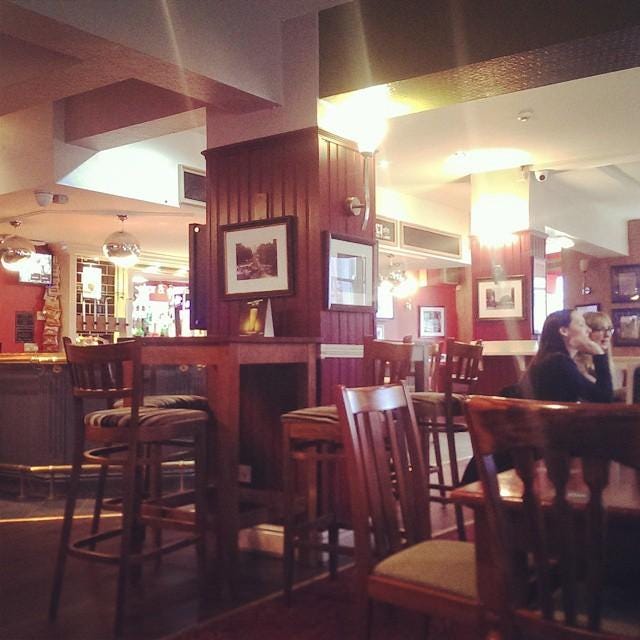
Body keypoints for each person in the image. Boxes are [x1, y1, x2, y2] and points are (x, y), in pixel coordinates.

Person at [461, 309, 613, 485]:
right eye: (580, 324)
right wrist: (599, 354)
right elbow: (604, 398)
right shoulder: (558, 362)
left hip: (523, 445)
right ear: (563, 331)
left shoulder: (550, 359)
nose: (587, 330)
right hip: (526, 451)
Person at [575, 310, 625, 400]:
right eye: (600, 329)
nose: (607, 335)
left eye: (610, 329)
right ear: (586, 332)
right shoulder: (575, 367)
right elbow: (603, 395)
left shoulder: (614, 368)